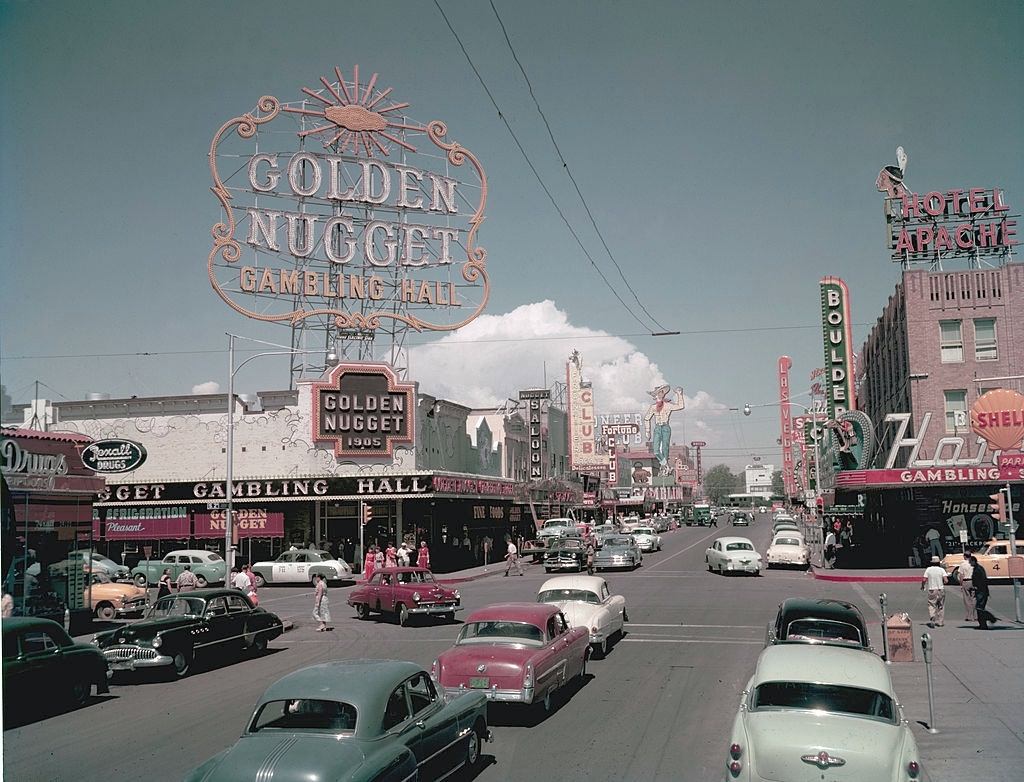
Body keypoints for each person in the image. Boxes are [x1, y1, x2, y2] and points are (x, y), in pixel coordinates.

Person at [970, 554, 998, 630]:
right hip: (980, 590)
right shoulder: (976, 568)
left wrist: (977, 587)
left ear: (974, 561)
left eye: (970, 562)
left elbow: (982, 580)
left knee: (979, 608)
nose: (970, 564)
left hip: (981, 591)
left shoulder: (978, 569)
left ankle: (991, 618)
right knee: (979, 608)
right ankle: (983, 624)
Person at [921, 555, 948, 627]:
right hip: (940, 589)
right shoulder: (941, 570)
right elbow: (946, 580)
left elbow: (924, 579)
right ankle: (940, 622)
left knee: (931, 604)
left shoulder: (928, 569)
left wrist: (923, 586)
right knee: (941, 605)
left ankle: (932, 616)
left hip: (932, 589)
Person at [957, 555, 976, 622]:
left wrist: (961, 584)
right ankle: (973, 615)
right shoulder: (973, 563)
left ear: (965, 557)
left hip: (966, 581)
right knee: (973, 598)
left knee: (967, 599)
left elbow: (961, 575)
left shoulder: (963, 565)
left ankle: (969, 615)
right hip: (973, 581)